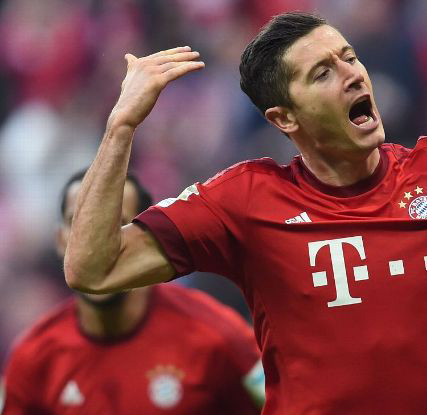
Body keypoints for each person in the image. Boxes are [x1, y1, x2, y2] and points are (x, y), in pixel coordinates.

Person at [63, 11, 427, 415]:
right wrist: (121, 127)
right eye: (322, 73)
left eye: (348, 57)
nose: (351, 74)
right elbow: (93, 268)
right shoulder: (244, 201)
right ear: (284, 119)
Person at [1, 171, 265, 414]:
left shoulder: (219, 337)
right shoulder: (34, 358)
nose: (93, 245)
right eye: (78, 223)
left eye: (115, 223)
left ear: (144, 240)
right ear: (60, 240)